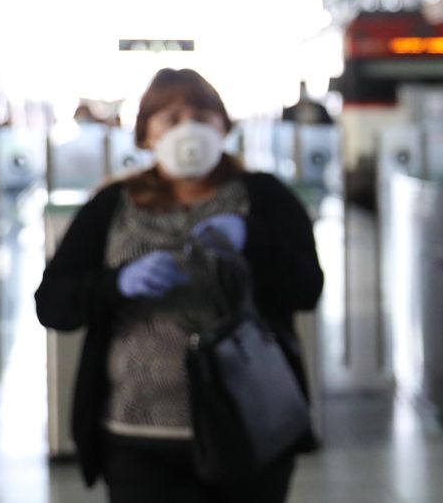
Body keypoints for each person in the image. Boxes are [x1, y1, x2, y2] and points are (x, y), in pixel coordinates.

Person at [36, 68, 323, 502]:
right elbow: (53, 304)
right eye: (170, 118)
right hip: (137, 433)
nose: (188, 128)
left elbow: (307, 289)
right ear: (146, 134)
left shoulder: (264, 198)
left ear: (224, 127)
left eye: (202, 116)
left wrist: (254, 240)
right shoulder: (111, 206)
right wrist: (117, 283)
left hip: (248, 423)